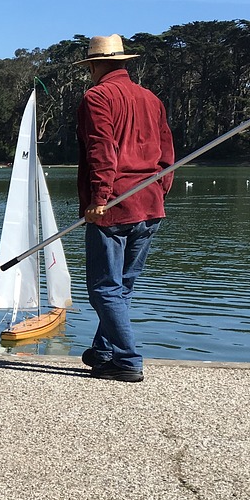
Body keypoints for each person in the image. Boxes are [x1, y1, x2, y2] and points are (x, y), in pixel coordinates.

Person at [75, 34, 175, 383]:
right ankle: (105, 352)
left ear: (98, 64)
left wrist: (99, 199)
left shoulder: (98, 97)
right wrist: (161, 190)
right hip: (150, 204)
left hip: (114, 207)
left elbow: (101, 151)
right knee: (122, 288)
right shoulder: (151, 99)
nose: (89, 72)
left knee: (104, 288)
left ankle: (129, 360)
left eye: (90, 66)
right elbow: (167, 155)